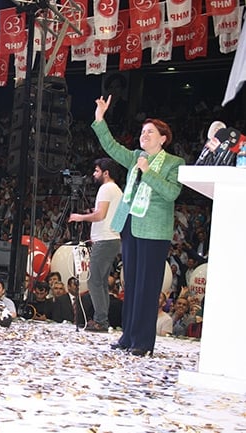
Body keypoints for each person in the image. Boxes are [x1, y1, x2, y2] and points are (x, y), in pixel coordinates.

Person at [93, 95, 185, 356]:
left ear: (163, 138)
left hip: (154, 231)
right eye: (143, 132)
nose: (144, 135)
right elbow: (111, 147)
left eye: (150, 132)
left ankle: (143, 342)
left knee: (147, 286)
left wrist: (148, 171)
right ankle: (128, 336)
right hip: (131, 225)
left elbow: (171, 193)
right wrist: (100, 118)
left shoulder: (173, 163)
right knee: (131, 284)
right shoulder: (135, 157)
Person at [68, 158, 122, 333]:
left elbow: (100, 215)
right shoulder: (116, 190)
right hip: (112, 238)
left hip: (105, 239)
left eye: (97, 171)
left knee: (94, 281)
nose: (94, 174)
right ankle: (102, 319)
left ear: (106, 173)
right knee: (101, 282)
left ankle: (101, 320)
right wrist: (92, 213)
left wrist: (80, 217)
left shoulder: (106, 188)